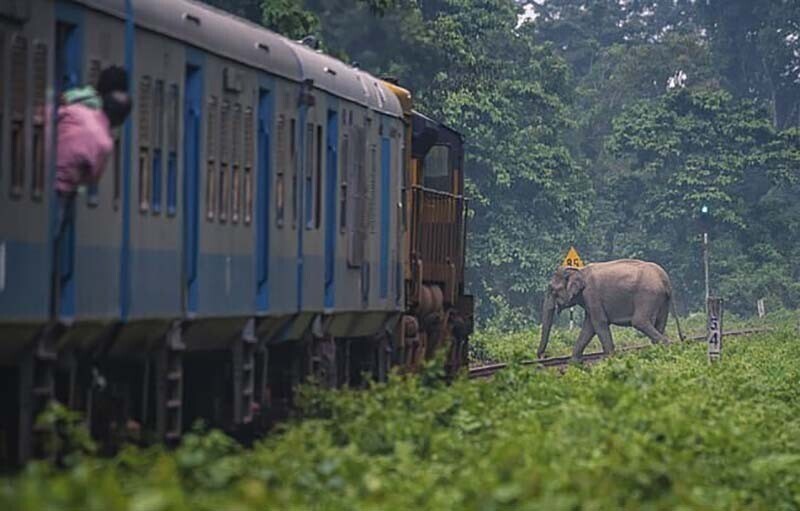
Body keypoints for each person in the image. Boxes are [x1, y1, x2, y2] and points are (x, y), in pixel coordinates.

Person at [52, 66, 132, 316]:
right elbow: (91, 177)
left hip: (41, 171)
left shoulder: (74, 106)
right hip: (61, 189)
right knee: (56, 236)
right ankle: (55, 287)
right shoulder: (104, 140)